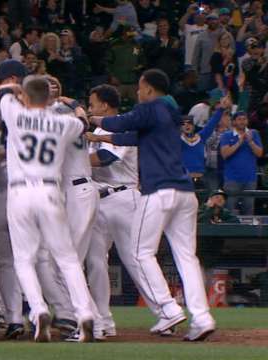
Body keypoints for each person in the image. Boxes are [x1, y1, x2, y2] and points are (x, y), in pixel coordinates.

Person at [90, 69, 216, 342]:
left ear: (148, 88)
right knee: (187, 257)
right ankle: (202, 318)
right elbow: (131, 137)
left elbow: (120, 123)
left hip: (159, 191)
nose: (137, 92)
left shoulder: (152, 107)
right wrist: (97, 138)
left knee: (139, 253)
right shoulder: (169, 114)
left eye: (139, 88)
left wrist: (89, 119)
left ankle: (168, 308)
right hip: (185, 192)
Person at [0, 75, 95, 342]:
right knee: (67, 258)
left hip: (19, 191)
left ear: (26, 97)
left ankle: (39, 310)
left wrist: (16, 89)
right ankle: (85, 314)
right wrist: (74, 104)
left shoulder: (15, 114)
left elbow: (2, 92)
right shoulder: (62, 122)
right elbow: (83, 122)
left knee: (24, 259)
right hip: (51, 189)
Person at [0, 59, 27, 340]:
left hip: (5, 190)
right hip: (26, 190)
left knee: (0, 256)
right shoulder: (33, 105)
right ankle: (19, 316)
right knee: (19, 258)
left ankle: (7, 314)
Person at [181, 97, 231, 188]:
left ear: (193, 125)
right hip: (184, 180)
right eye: (183, 124)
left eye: (189, 123)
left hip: (202, 179)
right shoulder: (178, 140)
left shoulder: (201, 137)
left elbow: (212, 123)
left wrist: (222, 108)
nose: (186, 126)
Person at [220, 112, 264, 215]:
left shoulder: (254, 134)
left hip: (250, 179)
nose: (242, 121)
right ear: (234, 121)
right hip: (232, 179)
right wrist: (239, 142)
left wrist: (250, 142)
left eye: (244, 119)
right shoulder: (227, 135)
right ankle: (230, 230)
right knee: (229, 211)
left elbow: (259, 153)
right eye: (239, 119)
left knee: (248, 210)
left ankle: (247, 231)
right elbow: (225, 154)